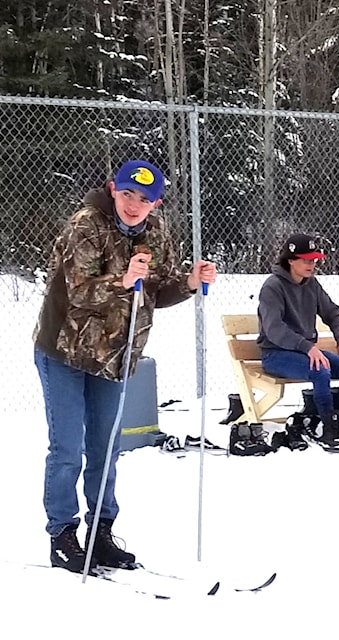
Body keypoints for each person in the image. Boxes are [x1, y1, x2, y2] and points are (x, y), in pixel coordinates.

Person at [34, 159, 217, 573]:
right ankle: (62, 534)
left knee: (105, 447)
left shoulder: (155, 232)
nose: (135, 205)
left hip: (113, 356)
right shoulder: (86, 225)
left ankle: (101, 532)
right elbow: (76, 290)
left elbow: (157, 291)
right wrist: (122, 279)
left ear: (156, 203)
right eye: (128, 194)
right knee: (67, 449)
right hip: (64, 350)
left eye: (145, 199)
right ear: (113, 189)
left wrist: (188, 283)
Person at [257, 233, 339, 446]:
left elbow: (333, 313)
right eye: (305, 260)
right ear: (290, 260)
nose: (311, 264)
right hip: (275, 353)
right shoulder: (272, 286)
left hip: (305, 351)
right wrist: (307, 347)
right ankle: (328, 427)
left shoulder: (312, 284)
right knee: (320, 371)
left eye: (313, 260)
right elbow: (274, 329)